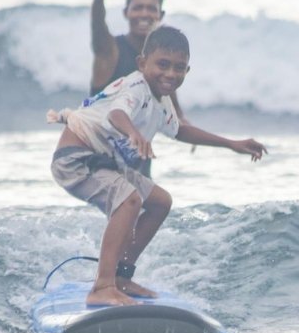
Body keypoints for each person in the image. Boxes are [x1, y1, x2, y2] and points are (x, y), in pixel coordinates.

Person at [47, 26, 267, 306]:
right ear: (142, 63)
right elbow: (117, 114)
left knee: (160, 202)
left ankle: (122, 277)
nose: (170, 74)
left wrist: (231, 143)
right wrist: (134, 134)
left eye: (179, 68)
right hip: (76, 159)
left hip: (104, 162)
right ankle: (102, 286)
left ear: (188, 71)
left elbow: (180, 131)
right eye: (162, 64)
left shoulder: (161, 102)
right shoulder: (136, 87)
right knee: (128, 201)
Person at [90, 0, 185, 177]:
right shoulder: (111, 51)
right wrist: (99, 0)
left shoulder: (162, 65)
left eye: (151, 8)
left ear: (161, 15)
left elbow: (175, 113)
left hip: (138, 160)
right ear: (126, 12)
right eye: (138, 7)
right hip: (102, 157)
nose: (144, 14)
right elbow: (98, 32)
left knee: (150, 204)